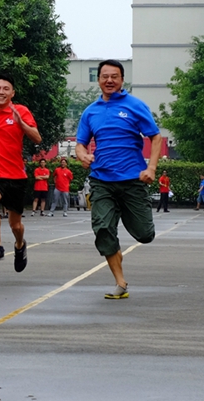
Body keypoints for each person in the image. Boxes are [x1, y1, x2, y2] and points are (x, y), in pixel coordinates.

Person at [75, 59, 160, 299]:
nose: (109, 80)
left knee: (145, 235)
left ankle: (122, 222)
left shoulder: (135, 106)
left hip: (133, 180)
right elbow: (80, 144)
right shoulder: (90, 111)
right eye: (105, 76)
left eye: (114, 76)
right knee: (103, 229)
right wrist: (83, 155)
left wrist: (151, 168)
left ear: (122, 80)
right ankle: (120, 283)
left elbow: (155, 137)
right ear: (99, 80)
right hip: (102, 180)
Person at [0, 74, 42, 270]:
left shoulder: (21, 111)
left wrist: (22, 124)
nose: (1, 92)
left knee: (15, 225)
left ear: (12, 93)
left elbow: (37, 138)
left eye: (5, 89)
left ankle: (20, 244)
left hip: (15, 176)